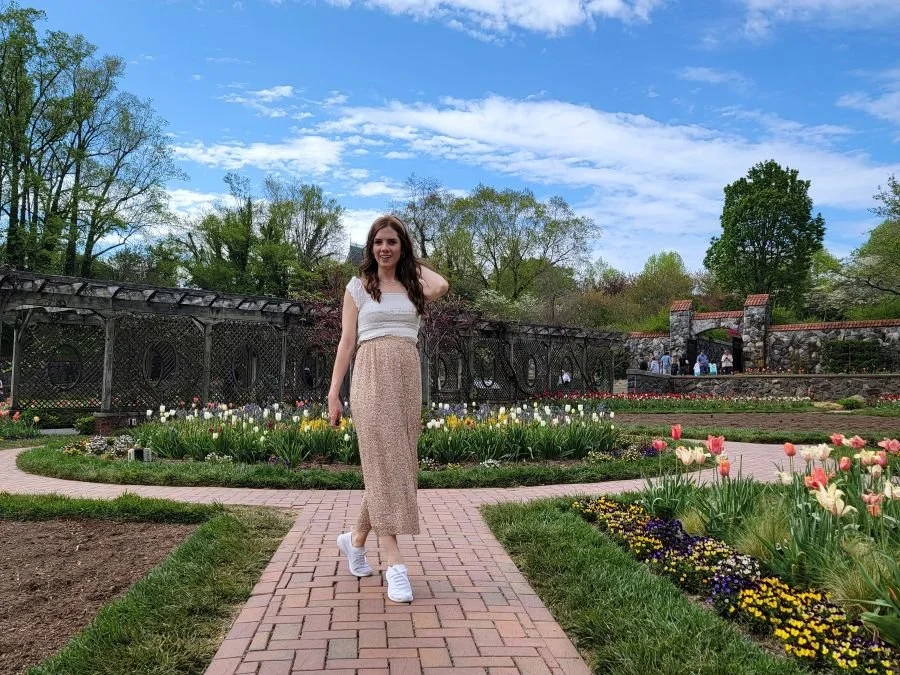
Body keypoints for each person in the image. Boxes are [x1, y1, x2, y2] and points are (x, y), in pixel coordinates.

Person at [328, 215, 449, 604]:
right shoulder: (358, 288)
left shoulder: (414, 287)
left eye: (392, 242)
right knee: (384, 463)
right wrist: (334, 394)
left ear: (402, 247)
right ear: (370, 246)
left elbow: (441, 285)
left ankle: (355, 540)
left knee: (398, 464)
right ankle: (395, 563)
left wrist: (409, 262)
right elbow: (347, 342)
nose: (384, 248)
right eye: (378, 242)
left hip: (406, 380)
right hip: (370, 377)